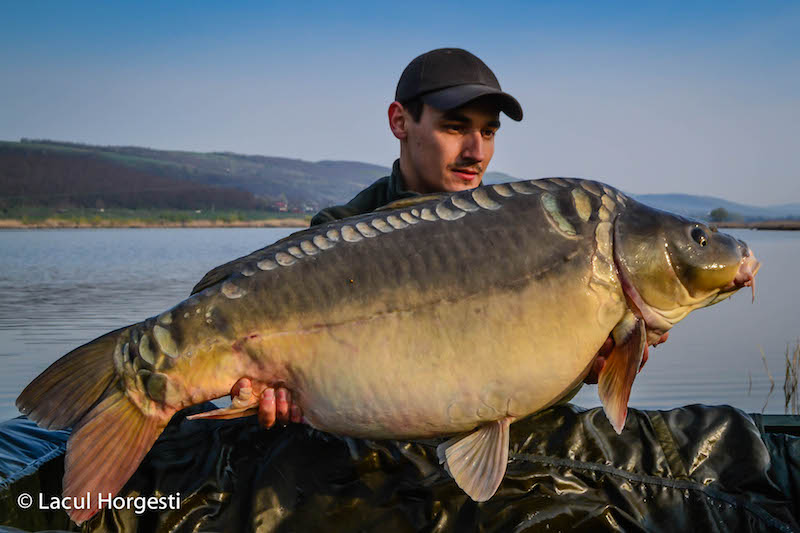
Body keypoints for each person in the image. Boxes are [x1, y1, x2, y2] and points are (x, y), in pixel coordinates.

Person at [227, 48, 663, 430]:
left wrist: (588, 362)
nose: (476, 152)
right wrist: (277, 397)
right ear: (400, 121)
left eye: (489, 132)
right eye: (456, 127)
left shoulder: (521, 234)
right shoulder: (336, 237)